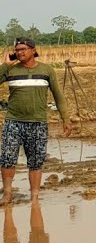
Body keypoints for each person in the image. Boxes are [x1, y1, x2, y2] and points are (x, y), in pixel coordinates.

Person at [1, 39, 69, 206]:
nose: (19, 52)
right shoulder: (11, 70)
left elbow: (58, 96)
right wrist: (5, 65)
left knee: (36, 161)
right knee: (7, 158)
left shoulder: (46, 70)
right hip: (13, 122)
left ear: (33, 50)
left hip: (38, 123)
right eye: (16, 50)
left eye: (23, 49)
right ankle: (7, 194)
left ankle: (34, 198)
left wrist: (65, 119)